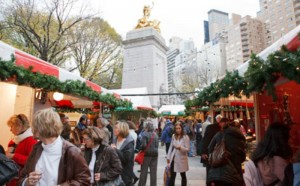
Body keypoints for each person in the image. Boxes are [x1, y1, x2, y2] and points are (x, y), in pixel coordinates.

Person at [17, 108, 90, 186]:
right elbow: (22, 177)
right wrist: (27, 182)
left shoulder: (71, 152)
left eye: (34, 126)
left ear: (43, 127)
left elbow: (84, 180)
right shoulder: (36, 148)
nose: (32, 129)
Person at [207, 117, 246, 185]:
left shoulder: (219, 134)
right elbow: (243, 157)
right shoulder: (240, 138)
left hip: (217, 173)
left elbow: (210, 148)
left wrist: (216, 156)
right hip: (235, 174)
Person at [6, 114, 37, 186]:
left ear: (19, 126)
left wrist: (14, 156)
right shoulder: (15, 140)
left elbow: (33, 162)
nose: (10, 130)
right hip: (12, 178)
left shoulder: (31, 140)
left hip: (21, 180)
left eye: (11, 126)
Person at [201, 114, 222, 186]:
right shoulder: (211, 127)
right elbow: (206, 140)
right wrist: (204, 152)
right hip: (210, 154)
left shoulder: (224, 129)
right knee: (210, 171)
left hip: (219, 155)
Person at [111, 121, 135, 186]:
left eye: (116, 128)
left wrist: (115, 149)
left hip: (125, 174)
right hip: (115, 172)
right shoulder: (114, 140)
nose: (114, 129)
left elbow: (126, 159)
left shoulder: (129, 143)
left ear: (122, 129)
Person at [167, 122, 190, 186]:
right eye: (176, 128)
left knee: (183, 175)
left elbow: (188, 149)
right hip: (174, 159)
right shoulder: (173, 136)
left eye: (179, 128)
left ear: (182, 128)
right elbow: (171, 147)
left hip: (181, 159)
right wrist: (168, 157)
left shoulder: (185, 137)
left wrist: (180, 148)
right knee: (172, 176)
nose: (178, 130)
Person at [138, 120, 159, 186]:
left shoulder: (145, 134)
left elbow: (143, 146)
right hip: (155, 155)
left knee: (144, 171)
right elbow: (157, 145)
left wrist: (140, 148)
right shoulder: (156, 135)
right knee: (153, 172)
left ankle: (141, 184)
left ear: (146, 127)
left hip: (147, 155)